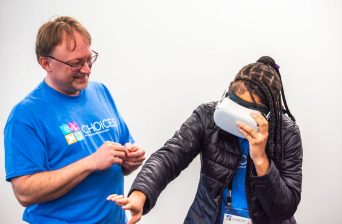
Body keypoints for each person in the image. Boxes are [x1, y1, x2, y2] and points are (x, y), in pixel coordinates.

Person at [108, 56, 303, 224]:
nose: (237, 119)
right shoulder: (208, 116)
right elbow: (170, 156)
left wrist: (261, 158)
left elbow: (284, 209)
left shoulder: (286, 133)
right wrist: (140, 194)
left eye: (247, 113)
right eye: (234, 105)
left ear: (270, 113)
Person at [4, 16, 145, 224]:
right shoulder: (25, 116)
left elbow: (120, 153)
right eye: (75, 63)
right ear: (46, 63)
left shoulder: (100, 91)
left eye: (89, 59)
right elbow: (25, 193)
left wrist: (129, 160)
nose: (86, 69)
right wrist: (90, 163)